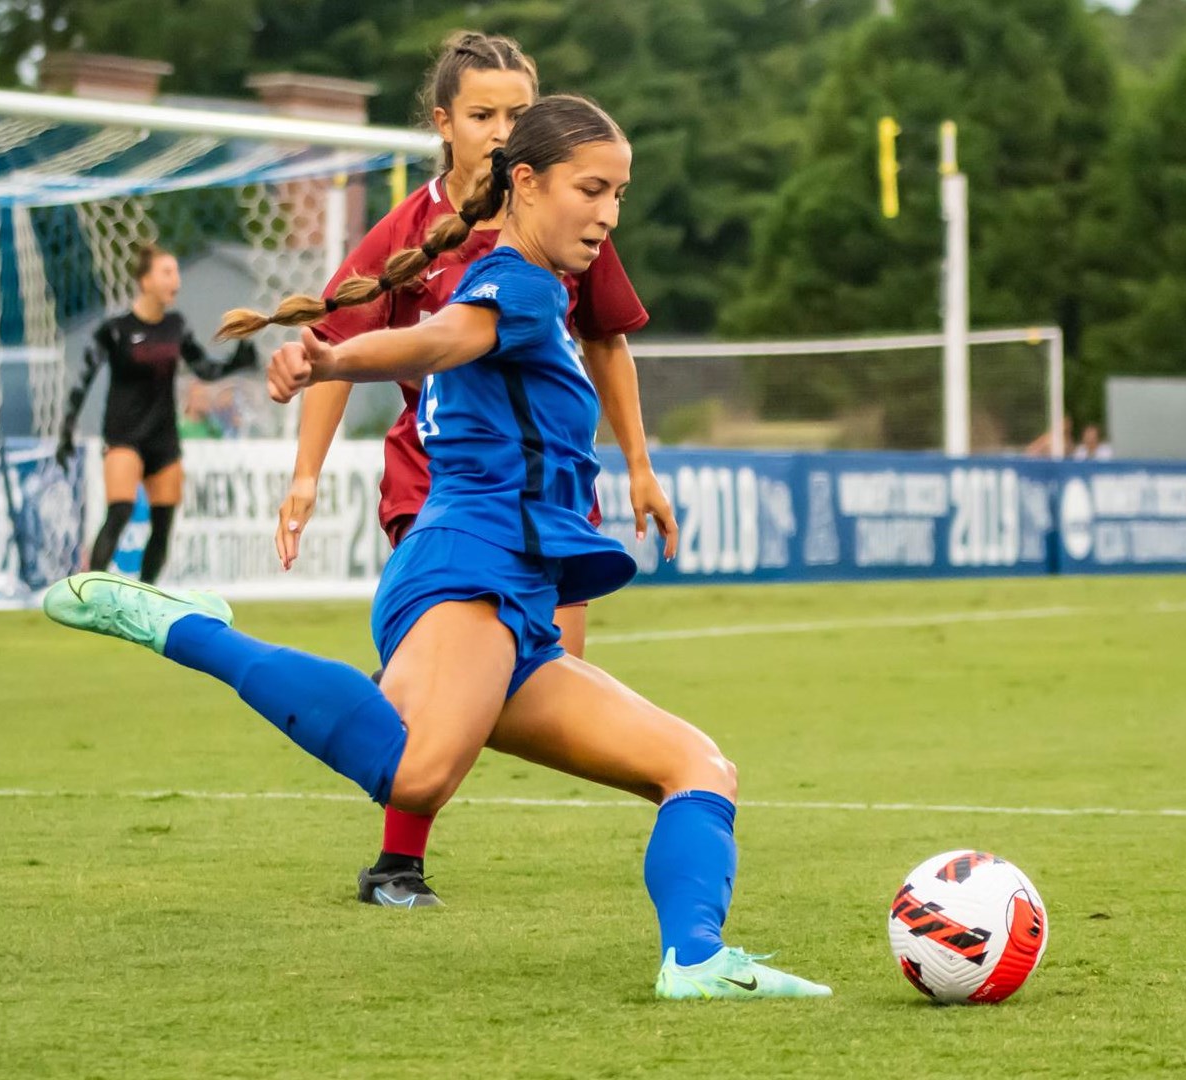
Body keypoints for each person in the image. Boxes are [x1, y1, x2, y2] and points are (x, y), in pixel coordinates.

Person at [44, 96, 829, 1000]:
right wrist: (334, 362)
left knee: (698, 766)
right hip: (467, 564)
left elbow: (479, 342)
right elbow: (440, 339)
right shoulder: (518, 283)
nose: (609, 213)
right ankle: (193, 630)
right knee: (417, 775)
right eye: (592, 189)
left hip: (520, 592)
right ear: (525, 184)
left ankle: (696, 960)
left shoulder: (539, 289)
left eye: (620, 193)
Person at [275, 30, 673, 908]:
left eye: (519, 113)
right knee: (466, 660)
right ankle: (399, 854)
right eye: (484, 113)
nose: (503, 129)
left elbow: (606, 341)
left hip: (551, 488)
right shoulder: (413, 231)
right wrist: (306, 473)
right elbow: (342, 344)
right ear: (443, 122)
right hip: (441, 478)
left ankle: (411, 740)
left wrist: (639, 464)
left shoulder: (572, 211)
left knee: (534, 669)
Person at [57, 245, 257, 584]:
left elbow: (204, 369)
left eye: (177, 272)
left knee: (163, 525)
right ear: (145, 280)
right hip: (124, 436)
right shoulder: (116, 329)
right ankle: (88, 593)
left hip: (163, 439)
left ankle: (146, 599)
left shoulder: (176, 326)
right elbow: (83, 380)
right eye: (167, 272)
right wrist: (66, 430)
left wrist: (235, 362)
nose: (175, 280)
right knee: (119, 511)